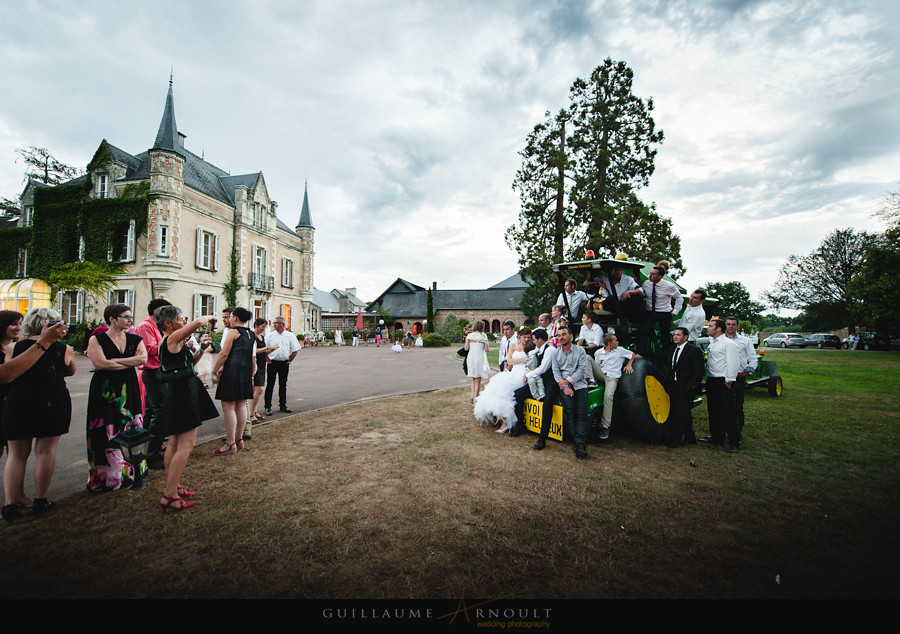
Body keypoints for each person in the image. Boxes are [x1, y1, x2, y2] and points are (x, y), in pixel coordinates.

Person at [1, 311, 69, 521]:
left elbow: (11, 372)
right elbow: (70, 370)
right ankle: (40, 499)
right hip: (51, 399)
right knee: (46, 451)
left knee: (16, 454)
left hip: (20, 400)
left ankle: (10, 504)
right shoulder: (64, 348)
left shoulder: (14, 348)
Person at [155, 306, 219, 510]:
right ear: (168, 323)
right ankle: (170, 495)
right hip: (181, 393)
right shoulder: (171, 339)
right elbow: (198, 323)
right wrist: (210, 317)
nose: (184, 322)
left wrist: (201, 349)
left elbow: (188, 363)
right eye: (181, 319)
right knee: (187, 444)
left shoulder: (172, 341)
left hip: (179, 390)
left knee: (174, 443)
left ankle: (172, 485)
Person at [86, 304, 148, 491]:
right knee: (106, 428)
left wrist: (113, 361)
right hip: (105, 389)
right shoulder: (97, 339)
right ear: (112, 319)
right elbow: (100, 364)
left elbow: (143, 360)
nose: (130, 320)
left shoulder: (135, 339)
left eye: (130, 316)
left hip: (128, 386)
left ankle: (134, 470)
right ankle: (109, 475)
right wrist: (128, 362)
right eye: (125, 316)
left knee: (131, 425)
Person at [135, 298, 172, 469]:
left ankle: (149, 450)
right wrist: (170, 340)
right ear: (157, 311)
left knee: (153, 412)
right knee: (159, 412)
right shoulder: (145, 326)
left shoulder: (157, 326)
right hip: (153, 372)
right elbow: (151, 349)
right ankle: (151, 454)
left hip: (160, 370)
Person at [212, 307, 255, 455]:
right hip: (245, 371)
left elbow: (224, 354)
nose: (228, 319)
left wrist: (214, 370)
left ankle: (230, 443)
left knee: (228, 406)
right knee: (241, 404)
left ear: (235, 318)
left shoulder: (233, 332)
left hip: (233, 370)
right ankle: (239, 438)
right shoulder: (250, 333)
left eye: (230, 316)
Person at [473, 332, 531, 432]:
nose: (526, 339)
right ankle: (497, 414)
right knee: (498, 385)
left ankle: (506, 422)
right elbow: (509, 360)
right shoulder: (513, 345)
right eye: (524, 337)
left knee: (507, 391)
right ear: (519, 337)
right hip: (513, 372)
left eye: (528, 337)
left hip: (523, 373)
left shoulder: (531, 347)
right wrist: (521, 359)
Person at [511, 328, 557, 443]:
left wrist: (528, 374)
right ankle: (520, 425)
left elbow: (543, 368)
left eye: (534, 339)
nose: (533, 342)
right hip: (538, 379)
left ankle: (542, 437)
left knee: (547, 404)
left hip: (550, 381)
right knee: (517, 394)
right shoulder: (538, 348)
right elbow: (531, 354)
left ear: (540, 340)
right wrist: (528, 369)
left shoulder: (550, 349)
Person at [551, 325, 590, 459]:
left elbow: (582, 369)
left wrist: (568, 381)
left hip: (580, 385)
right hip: (564, 387)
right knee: (571, 414)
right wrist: (564, 387)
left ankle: (580, 445)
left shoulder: (580, 351)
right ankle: (579, 444)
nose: (561, 337)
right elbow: (556, 372)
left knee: (582, 414)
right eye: (559, 335)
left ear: (571, 336)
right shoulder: (555, 353)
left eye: (563, 334)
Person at [702, 319, 740, 452]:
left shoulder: (728, 344)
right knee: (713, 410)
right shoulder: (713, 343)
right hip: (712, 379)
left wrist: (729, 380)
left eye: (710, 326)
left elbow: (733, 363)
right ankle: (717, 436)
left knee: (728, 412)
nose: (708, 328)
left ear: (718, 329)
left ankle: (734, 442)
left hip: (723, 381)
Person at [664, 327, 705, 448]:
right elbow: (661, 356)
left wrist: (692, 385)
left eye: (678, 335)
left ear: (685, 337)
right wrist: (640, 351)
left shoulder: (693, 350)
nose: (675, 337)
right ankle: (690, 436)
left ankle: (675, 439)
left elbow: (699, 370)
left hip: (687, 387)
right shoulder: (672, 349)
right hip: (674, 385)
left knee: (681, 413)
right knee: (678, 411)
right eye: (674, 335)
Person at [591, 333, 636, 441]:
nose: (617, 342)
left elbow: (632, 354)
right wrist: (594, 376)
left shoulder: (620, 350)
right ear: (609, 343)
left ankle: (605, 426)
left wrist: (629, 364)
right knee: (587, 358)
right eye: (615, 340)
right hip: (602, 373)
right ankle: (591, 380)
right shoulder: (599, 353)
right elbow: (596, 365)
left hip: (612, 377)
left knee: (608, 397)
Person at [636, 266, 683, 356]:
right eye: (650, 273)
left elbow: (679, 298)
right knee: (643, 331)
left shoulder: (669, 286)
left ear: (660, 276)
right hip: (650, 312)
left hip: (664, 313)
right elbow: (641, 292)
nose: (650, 276)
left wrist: (674, 312)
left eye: (653, 274)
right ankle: (639, 354)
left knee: (665, 336)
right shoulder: (646, 283)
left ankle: (666, 357)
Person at [725, 316, 758, 433]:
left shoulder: (745, 341)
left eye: (733, 324)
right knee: (723, 406)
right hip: (722, 377)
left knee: (737, 407)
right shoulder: (718, 340)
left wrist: (747, 372)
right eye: (728, 324)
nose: (730, 326)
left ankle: (736, 433)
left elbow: (753, 358)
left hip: (738, 378)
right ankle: (722, 432)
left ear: (737, 326)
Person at [264, 316, 301, 415]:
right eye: (274, 323)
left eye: (276, 323)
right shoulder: (269, 336)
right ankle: (267, 406)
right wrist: (268, 360)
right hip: (272, 363)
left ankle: (283, 405)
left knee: (283, 384)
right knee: (270, 384)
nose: (274, 325)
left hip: (284, 363)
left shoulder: (290, 336)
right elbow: (264, 350)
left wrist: (288, 361)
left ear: (283, 324)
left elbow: (295, 350)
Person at [250, 318, 276, 426]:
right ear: (256, 326)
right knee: (258, 389)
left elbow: (263, 351)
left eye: (265, 326)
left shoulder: (262, 337)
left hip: (261, 364)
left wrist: (271, 350)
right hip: (254, 364)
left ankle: (254, 410)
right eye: (262, 327)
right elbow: (255, 351)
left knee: (257, 390)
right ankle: (251, 414)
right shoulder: (252, 337)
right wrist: (268, 347)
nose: (264, 329)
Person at [464, 321, 490, 402]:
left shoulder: (469, 335)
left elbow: (466, 348)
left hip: (471, 357)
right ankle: (476, 397)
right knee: (478, 379)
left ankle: (472, 396)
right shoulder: (484, 336)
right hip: (479, 357)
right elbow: (487, 349)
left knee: (473, 377)